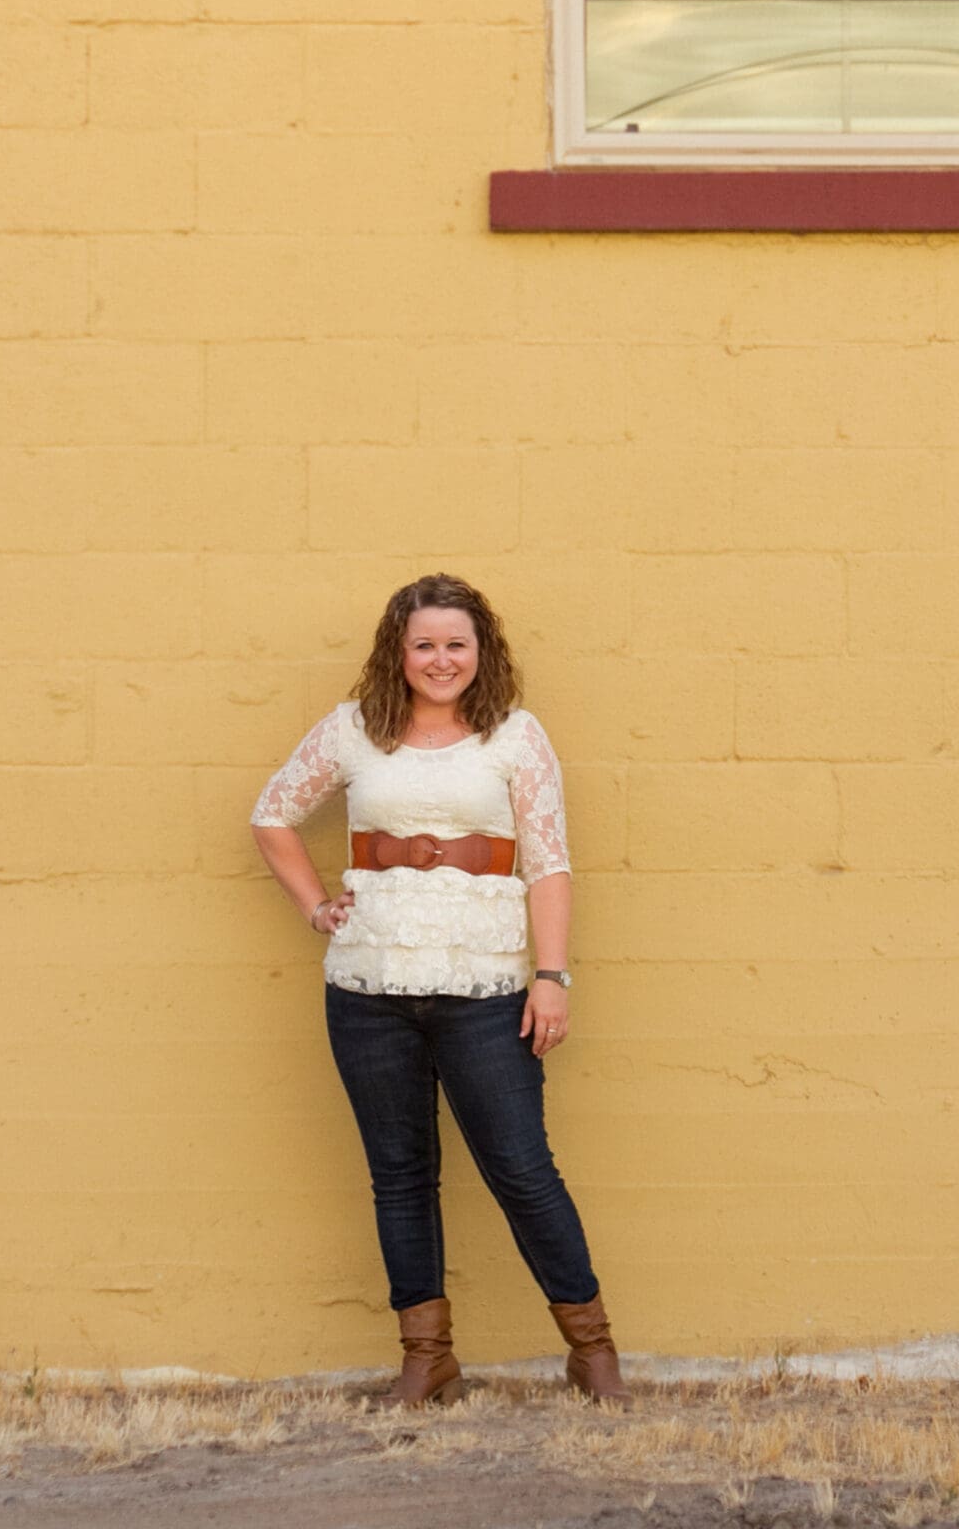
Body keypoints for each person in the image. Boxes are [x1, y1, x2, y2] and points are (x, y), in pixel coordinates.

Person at [250, 569, 626, 1408]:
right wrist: (317, 907)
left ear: (480, 651)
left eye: (456, 643)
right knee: (399, 1174)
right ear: (399, 651)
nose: (441, 658)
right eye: (424, 644)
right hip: (367, 987)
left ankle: (592, 1351)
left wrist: (551, 977)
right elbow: (271, 814)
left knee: (522, 1169)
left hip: (486, 991)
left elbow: (549, 864)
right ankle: (428, 1361)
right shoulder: (352, 730)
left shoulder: (515, 737)